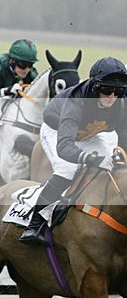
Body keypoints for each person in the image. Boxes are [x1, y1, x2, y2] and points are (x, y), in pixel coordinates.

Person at [19, 56, 127, 245]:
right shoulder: (77, 101)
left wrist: (120, 153)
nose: (112, 96)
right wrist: (92, 159)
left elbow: (124, 136)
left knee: (114, 166)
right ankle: (34, 224)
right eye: (107, 90)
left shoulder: (122, 102)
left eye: (118, 91)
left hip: (89, 133)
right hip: (57, 132)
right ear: (95, 86)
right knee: (67, 170)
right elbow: (64, 148)